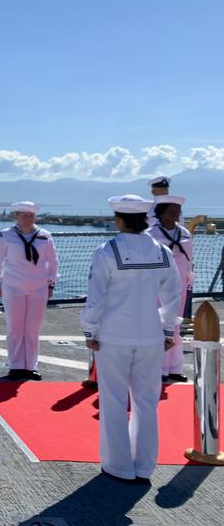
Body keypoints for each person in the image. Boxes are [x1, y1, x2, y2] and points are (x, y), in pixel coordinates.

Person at [81, 195, 181, 484]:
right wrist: (166, 330)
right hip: (150, 336)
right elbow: (173, 296)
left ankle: (119, 466)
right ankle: (144, 466)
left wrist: (90, 330)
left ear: (119, 219)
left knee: (113, 401)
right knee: (146, 402)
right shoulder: (162, 251)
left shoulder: (107, 250)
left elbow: (96, 298)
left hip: (113, 336)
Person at [0, 201, 59, 380]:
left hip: (38, 287)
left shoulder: (45, 236)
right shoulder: (6, 235)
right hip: (13, 286)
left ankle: (31, 366)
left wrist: (51, 284)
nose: (28, 218)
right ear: (16, 216)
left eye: (31, 215)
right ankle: (16, 365)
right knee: (15, 327)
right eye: (24, 215)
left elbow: (52, 262)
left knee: (33, 328)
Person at [148, 195, 193, 383]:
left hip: (180, 285)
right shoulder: (151, 235)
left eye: (177, 211)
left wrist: (189, 283)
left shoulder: (185, 234)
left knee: (176, 325)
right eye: (171, 211)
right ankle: (160, 368)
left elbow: (189, 261)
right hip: (158, 286)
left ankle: (175, 367)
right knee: (159, 326)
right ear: (160, 213)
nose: (175, 214)